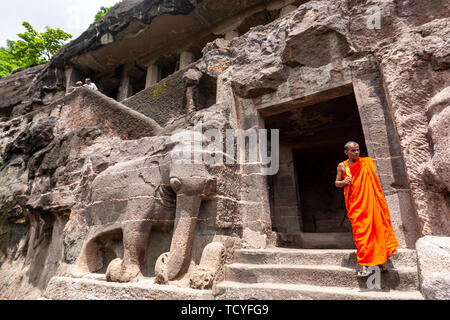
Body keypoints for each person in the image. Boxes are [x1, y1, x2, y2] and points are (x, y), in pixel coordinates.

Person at [335, 141, 399, 277]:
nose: (356, 152)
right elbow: (336, 182)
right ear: (346, 152)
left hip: (370, 203)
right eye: (353, 151)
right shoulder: (342, 166)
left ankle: (379, 262)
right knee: (361, 234)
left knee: (377, 232)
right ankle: (364, 264)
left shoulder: (366, 162)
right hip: (357, 206)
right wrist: (343, 182)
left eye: (358, 150)